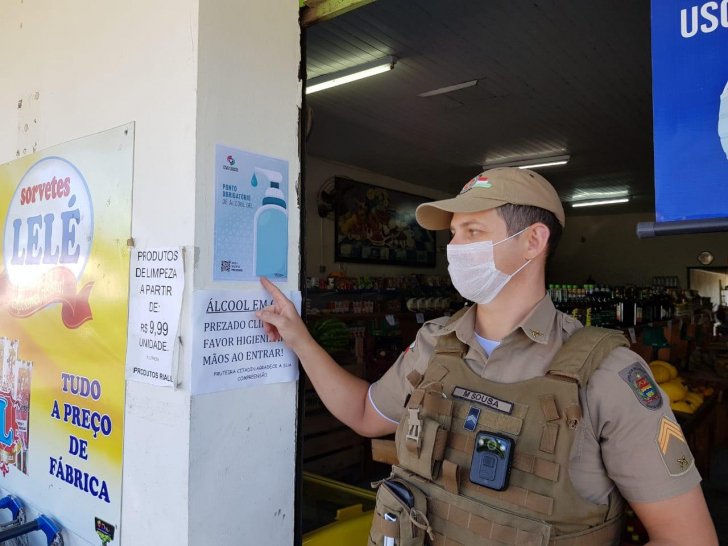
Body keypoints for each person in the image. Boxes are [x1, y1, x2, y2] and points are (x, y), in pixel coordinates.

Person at [257, 168, 718, 545]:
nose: (455, 248)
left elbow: (688, 538)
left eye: (474, 231)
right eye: (454, 234)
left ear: (534, 241)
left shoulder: (608, 372)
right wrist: (299, 339)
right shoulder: (435, 342)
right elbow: (364, 413)